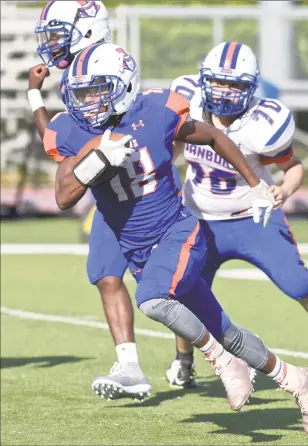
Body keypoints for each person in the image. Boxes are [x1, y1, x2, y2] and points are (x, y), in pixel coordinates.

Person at [43, 41, 308, 435]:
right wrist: (96, 158)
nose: (88, 103)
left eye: (97, 91)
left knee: (152, 300)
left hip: (179, 231)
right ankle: (296, 380)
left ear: (122, 85)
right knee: (227, 331)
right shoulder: (75, 129)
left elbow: (212, 137)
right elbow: (63, 195)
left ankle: (221, 360)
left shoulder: (156, 112)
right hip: (138, 249)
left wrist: (256, 185)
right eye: (82, 93)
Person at [164, 41, 308, 387]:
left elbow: (294, 167)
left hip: (251, 217)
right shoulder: (186, 100)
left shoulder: (261, 122)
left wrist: (283, 190)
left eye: (234, 85)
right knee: (185, 289)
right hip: (199, 218)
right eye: (218, 82)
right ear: (203, 80)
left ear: (250, 88)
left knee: (299, 283)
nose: (224, 92)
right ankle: (183, 361)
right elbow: (172, 143)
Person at [29, 0, 152, 400]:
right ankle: (130, 365)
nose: (51, 45)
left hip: (146, 195)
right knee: (106, 274)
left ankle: (216, 352)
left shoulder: (107, 69)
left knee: (169, 290)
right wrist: (35, 96)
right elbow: (59, 139)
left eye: (57, 35)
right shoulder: (75, 80)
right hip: (109, 197)